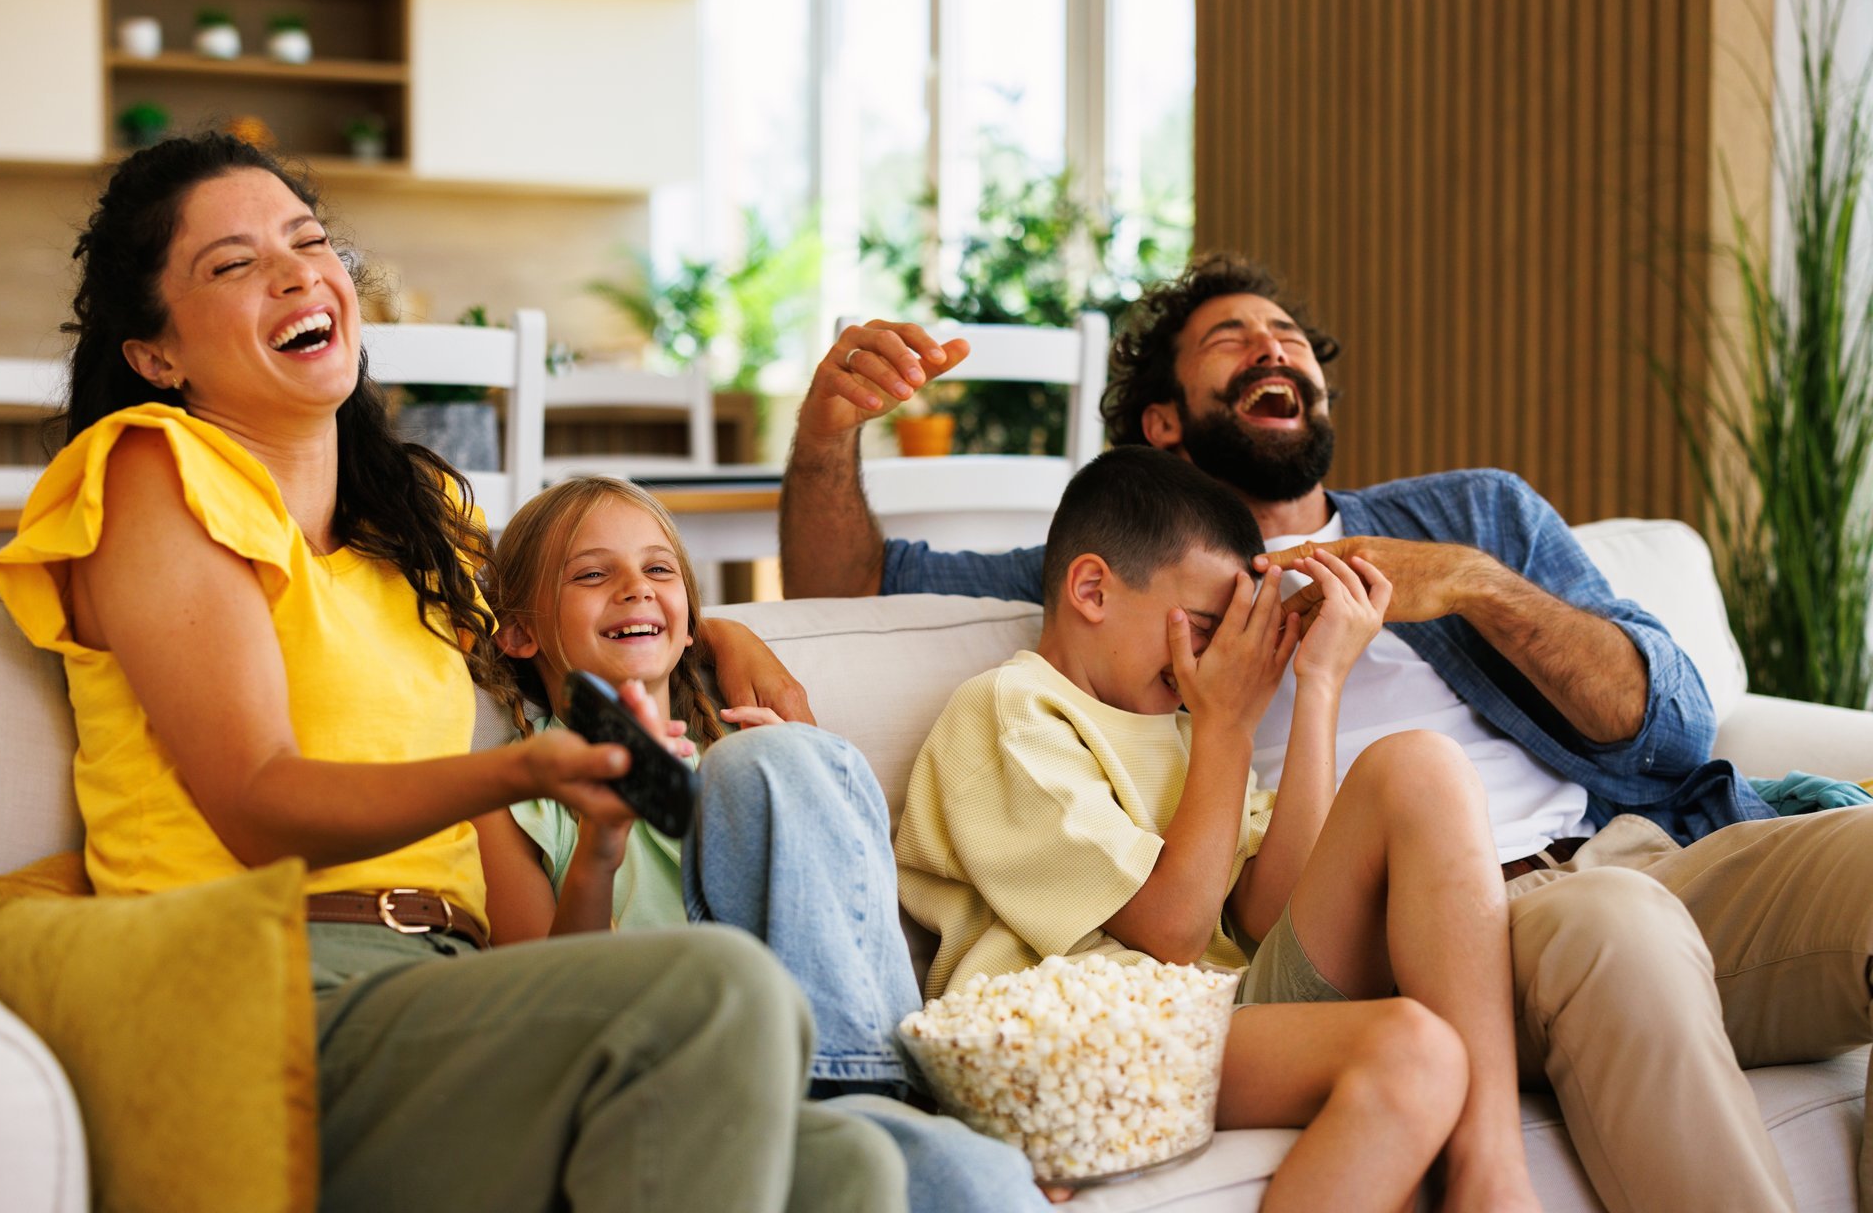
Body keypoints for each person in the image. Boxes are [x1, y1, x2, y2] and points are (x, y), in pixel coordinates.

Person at [781, 257, 1873, 1213]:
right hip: (1481, 924)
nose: (1272, 346)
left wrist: (1478, 588)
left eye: (1290, 336)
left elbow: (1675, 731)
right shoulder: (1128, 584)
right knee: (1593, 908)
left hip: (1652, 841)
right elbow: (848, 590)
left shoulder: (1475, 515)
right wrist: (826, 433)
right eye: (1231, 337)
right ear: (1164, 420)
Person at [0, 132, 907, 1213]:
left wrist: (718, 634)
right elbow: (255, 803)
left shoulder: (419, 524)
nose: (297, 273)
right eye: (233, 264)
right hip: (275, 990)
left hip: (448, 984)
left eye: (309, 241)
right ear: (156, 353)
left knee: (855, 1166)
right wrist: (522, 769)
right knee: (719, 992)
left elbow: (564, 602)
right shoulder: (151, 470)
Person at [899, 445, 1536, 1212]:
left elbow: (1269, 914)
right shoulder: (1013, 711)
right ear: (1093, 589)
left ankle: (1492, 1178)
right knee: (1416, 1053)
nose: (1218, 655)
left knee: (1422, 767)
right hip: (1080, 1042)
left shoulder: (1178, 726)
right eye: (1204, 625)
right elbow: (1168, 930)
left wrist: (1318, 685)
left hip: (1208, 1011)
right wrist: (1226, 726)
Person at [475, 474, 1051, 1211]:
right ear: (520, 631)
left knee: (984, 1180)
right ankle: (884, 1110)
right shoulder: (518, 794)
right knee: (970, 1179)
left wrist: (804, 770)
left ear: (688, 626)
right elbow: (551, 1008)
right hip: (694, 1071)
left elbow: (856, 930)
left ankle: (877, 1099)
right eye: (592, 574)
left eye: (659, 569)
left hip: (826, 1067)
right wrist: (600, 842)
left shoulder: (742, 753)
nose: (635, 587)